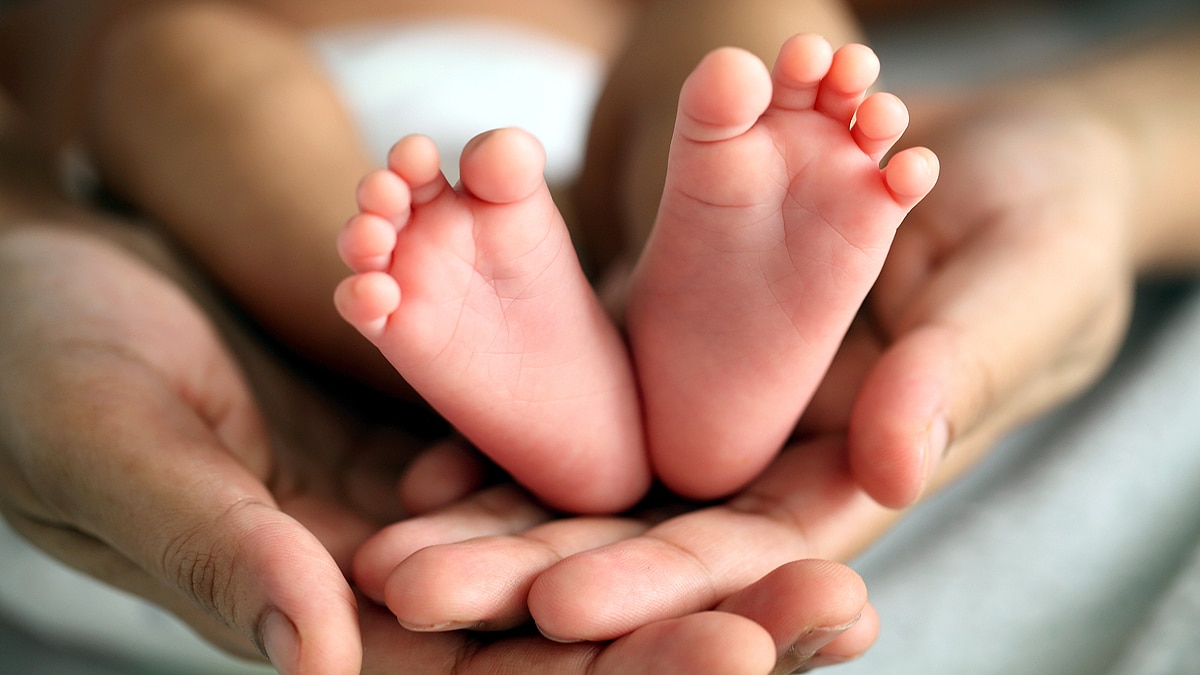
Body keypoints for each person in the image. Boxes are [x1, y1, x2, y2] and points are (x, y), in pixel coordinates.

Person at [1, 0, 1198, 672]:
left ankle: (537, 338)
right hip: (549, 151)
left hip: (488, 166)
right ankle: (595, 328)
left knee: (205, 83)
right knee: (732, 51)